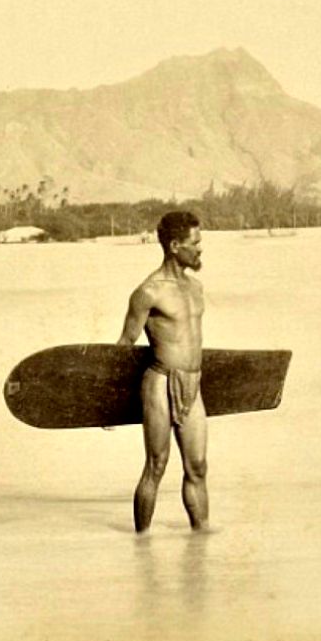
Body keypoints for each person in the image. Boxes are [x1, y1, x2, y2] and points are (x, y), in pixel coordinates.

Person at [117, 210, 208, 533]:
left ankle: (201, 541)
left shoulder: (196, 287)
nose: (200, 249)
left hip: (193, 384)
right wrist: (108, 400)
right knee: (156, 465)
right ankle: (141, 540)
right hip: (160, 381)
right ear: (174, 246)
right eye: (195, 243)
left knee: (198, 467)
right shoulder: (149, 291)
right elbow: (126, 343)